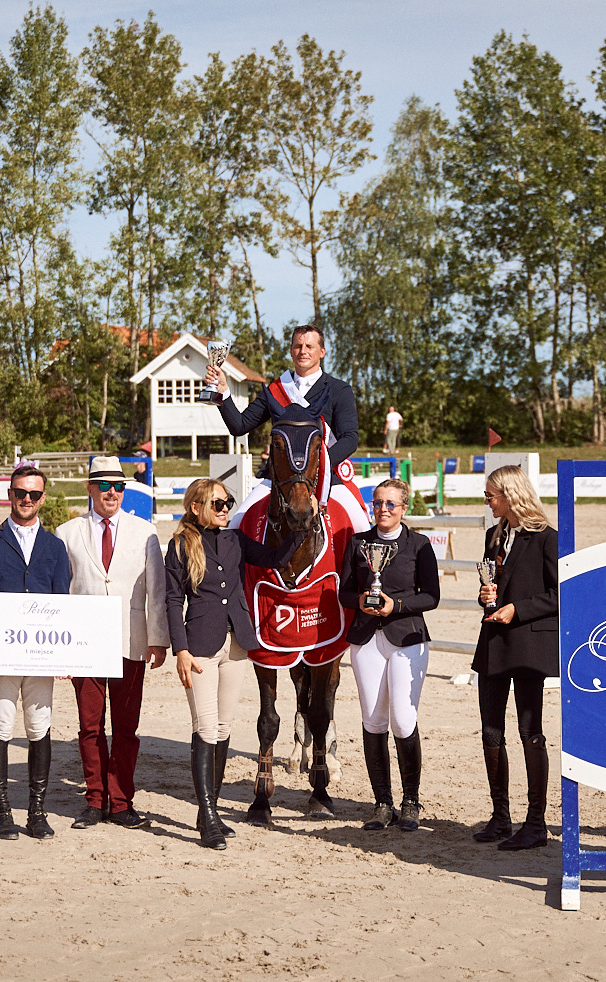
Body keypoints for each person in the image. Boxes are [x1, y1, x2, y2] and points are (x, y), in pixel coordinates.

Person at [164, 477, 305, 849]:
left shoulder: (236, 540)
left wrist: (297, 529)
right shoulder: (179, 545)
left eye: (228, 503)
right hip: (199, 647)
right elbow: (172, 600)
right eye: (217, 504)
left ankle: (209, 810)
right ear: (195, 507)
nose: (225, 509)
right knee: (206, 728)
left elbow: (274, 560)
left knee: (225, 728)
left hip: (237, 645)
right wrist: (179, 649)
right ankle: (207, 816)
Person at [0, 464, 72, 841]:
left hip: (41, 654)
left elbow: (62, 603)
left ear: (42, 498)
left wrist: (65, 657)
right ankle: (1, 810)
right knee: (1, 724)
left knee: (39, 728)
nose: (27, 499)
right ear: (10, 494)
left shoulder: (55, 547)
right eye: (21, 492)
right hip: (1, 652)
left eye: (34, 494)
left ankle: (36, 811)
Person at [55, 456, 168, 830]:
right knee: (89, 727)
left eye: (119, 486)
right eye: (104, 486)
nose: (113, 493)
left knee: (125, 728)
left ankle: (121, 802)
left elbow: (156, 591)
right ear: (90, 489)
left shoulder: (145, 532)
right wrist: (62, 650)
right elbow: (61, 596)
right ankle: (94, 800)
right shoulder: (66, 533)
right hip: (84, 644)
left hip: (130, 641)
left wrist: (158, 640)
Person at [337, 478, 439, 832]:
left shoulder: (419, 545)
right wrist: (360, 601)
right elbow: (344, 592)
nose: (382, 509)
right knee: (373, 719)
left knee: (403, 720)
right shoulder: (358, 543)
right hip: (366, 639)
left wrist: (397, 606)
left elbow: (432, 597)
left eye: (390, 504)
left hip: (407, 637)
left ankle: (411, 801)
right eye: (377, 503)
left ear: (404, 508)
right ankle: (382, 803)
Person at [472, 463, 559, 851]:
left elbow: (561, 595)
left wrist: (517, 609)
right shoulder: (494, 535)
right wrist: (487, 597)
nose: (488, 501)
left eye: (491, 495)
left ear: (511, 495)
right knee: (491, 731)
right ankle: (500, 817)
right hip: (493, 640)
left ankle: (536, 823)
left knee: (529, 732)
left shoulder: (547, 538)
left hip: (527, 645)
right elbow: (493, 584)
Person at [205, 324, 367, 531]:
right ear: (291, 351)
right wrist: (222, 391)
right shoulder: (276, 389)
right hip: (278, 478)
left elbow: (350, 438)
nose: (303, 351)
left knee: (362, 527)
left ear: (322, 352)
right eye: (298, 346)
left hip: (325, 476)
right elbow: (240, 425)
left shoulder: (339, 389)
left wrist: (320, 465)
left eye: (309, 346)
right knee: (237, 525)